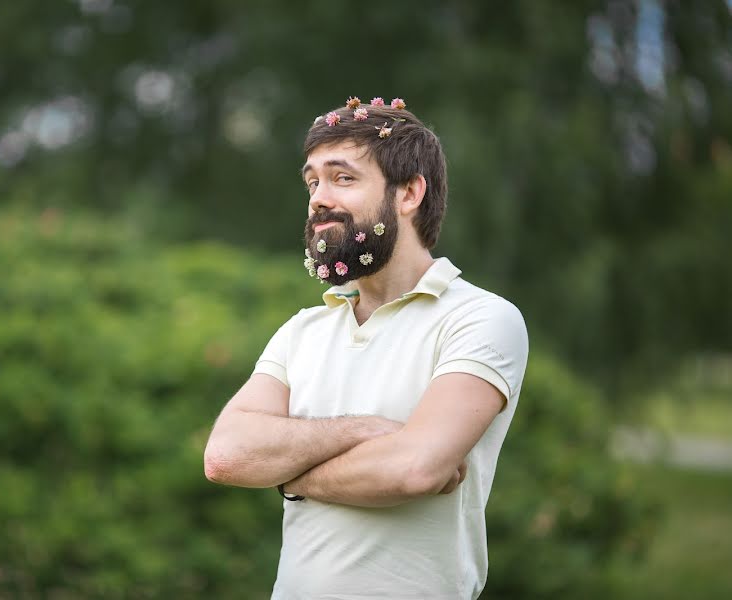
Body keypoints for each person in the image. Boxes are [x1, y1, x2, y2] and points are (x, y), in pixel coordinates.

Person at [203, 96, 529, 599]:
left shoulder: (481, 319)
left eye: (343, 177)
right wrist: (366, 431)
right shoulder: (303, 330)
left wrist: (289, 475)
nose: (317, 197)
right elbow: (226, 456)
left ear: (409, 193)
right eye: (313, 181)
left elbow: (412, 468)